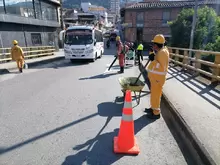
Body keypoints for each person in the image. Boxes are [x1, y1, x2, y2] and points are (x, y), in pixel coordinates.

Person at [144, 34, 169, 119]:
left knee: (156, 95)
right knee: (154, 94)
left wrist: (153, 59)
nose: (153, 46)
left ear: (157, 45)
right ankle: (152, 108)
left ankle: (156, 113)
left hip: (158, 79)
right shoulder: (161, 51)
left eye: (154, 44)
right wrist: (153, 54)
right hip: (155, 78)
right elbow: (157, 59)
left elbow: (161, 67)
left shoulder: (162, 53)